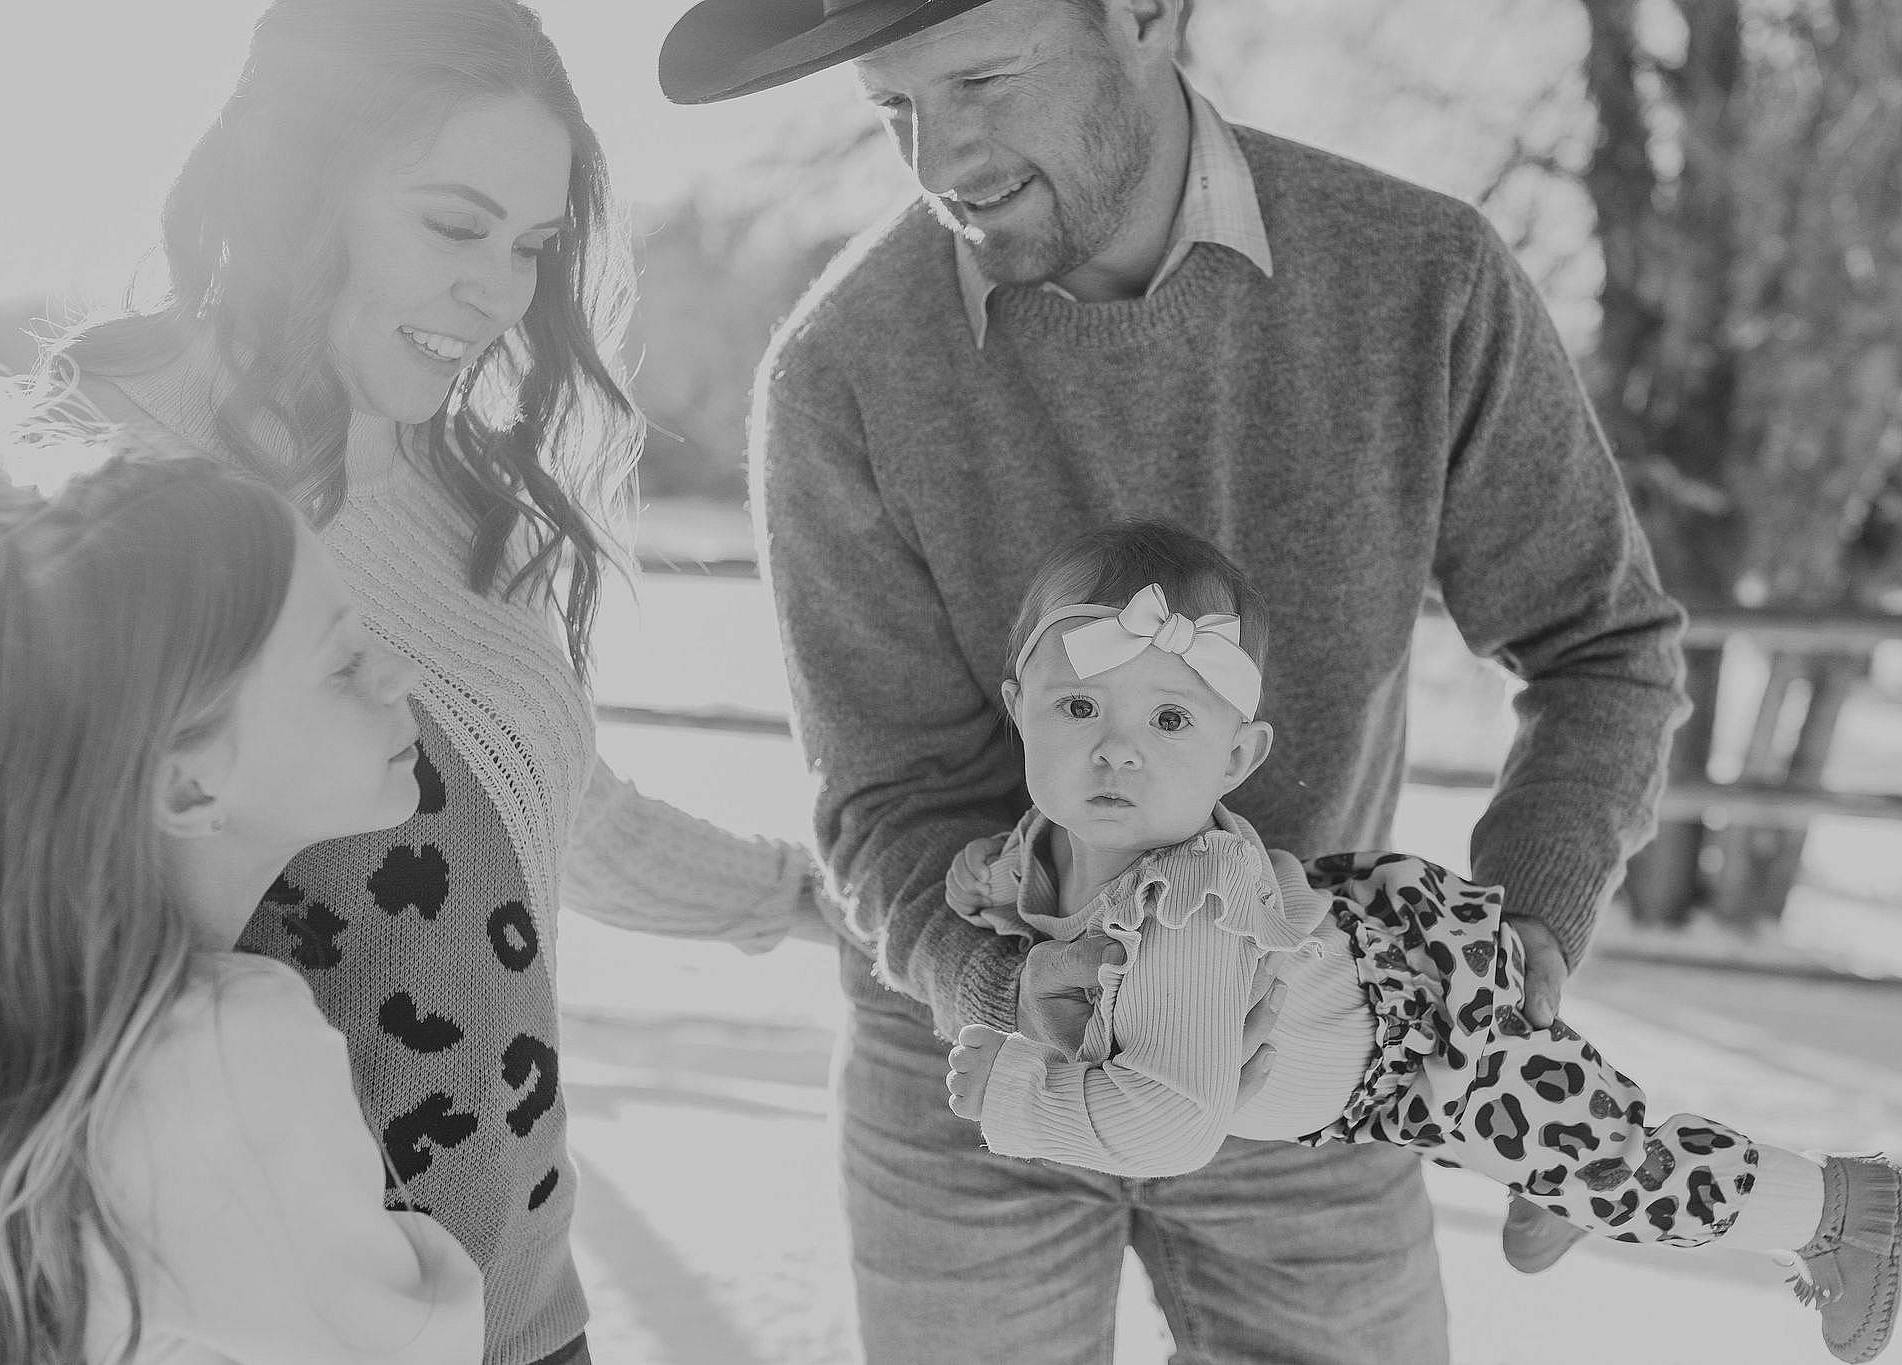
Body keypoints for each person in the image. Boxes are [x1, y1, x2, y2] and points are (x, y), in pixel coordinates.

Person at [660, 0, 1693, 1359]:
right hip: (971, 1059)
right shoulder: (839, 369)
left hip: (1307, 1021)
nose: (939, 157)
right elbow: (884, 791)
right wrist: (995, 986)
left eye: (979, 77)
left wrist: (1523, 943)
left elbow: (1596, 644)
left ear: (1148, 13)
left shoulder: (1421, 277)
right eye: (893, 106)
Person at [0, 4, 829, 1363]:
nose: (499, 293)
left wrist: (803, 899)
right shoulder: (104, 487)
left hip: (521, 1307)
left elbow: (559, 814)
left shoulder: (467, 498)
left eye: (531, 248)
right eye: (452, 224)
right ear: (297, 178)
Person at [937, 518, 1899, 1365]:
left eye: (1170, 718)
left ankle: (1834, 1209)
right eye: (1078, 708)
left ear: (1237, 757)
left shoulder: (1195, 904)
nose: (1117, 749)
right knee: (1547, 1139)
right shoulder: (1055, 843)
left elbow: (1176, 1123)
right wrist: (980, 889)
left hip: (1435, 1043)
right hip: (1377, 1020)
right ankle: (1540, 1169)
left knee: (1616, 1170)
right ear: (1019, 706)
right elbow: (1027, 905)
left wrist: (1018, 1097)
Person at [0, 420, 482, 1365]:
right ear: (184, 784)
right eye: (345, 662)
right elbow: (416, 1345)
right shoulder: (221, 1052)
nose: (405, 673)